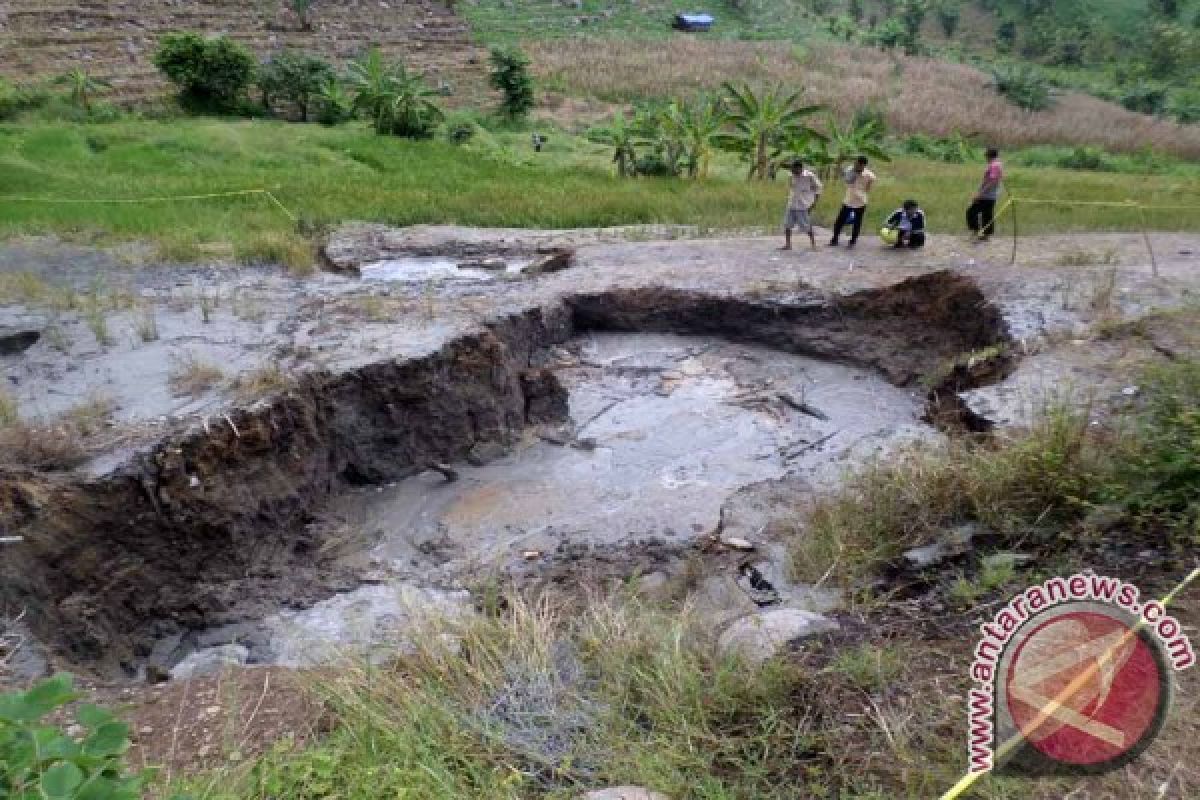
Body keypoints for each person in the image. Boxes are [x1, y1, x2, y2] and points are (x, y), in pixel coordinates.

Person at [829, 156, 876, 248]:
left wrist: (861, 193)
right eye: (855, 163)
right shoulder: (850, 169)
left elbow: (868, 188)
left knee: (857, 222)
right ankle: (834, 239)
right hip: (848, 200)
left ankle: (853, 240)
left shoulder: (869, 175)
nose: (855, 165)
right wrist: (853, 173)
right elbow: (847, 181)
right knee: (839, 221)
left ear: (863, 165)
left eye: (858, 164)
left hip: (860, 201)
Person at [781, 159, 823, 251]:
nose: (792, 172)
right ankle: (788, 244)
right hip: (792, 204)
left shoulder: (809, 176)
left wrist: (814, 203)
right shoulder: (791, 175)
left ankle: (813, 245)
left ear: (800, 168)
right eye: (791, 170)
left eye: (794, 170)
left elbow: (819, 188)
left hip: (803, 205)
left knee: (806, 226)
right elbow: (792, 187)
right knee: (787, 225)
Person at [967, 148, 1003, 240]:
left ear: (989, 155)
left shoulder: (994, 165)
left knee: (972, 211)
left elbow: (992, 181)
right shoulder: (997, 164)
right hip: (991, 195)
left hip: (987, 195)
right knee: (987, 214)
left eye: (986, 155)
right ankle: (985, 234)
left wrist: (980, 193)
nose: (985, 157)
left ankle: (976, 231)